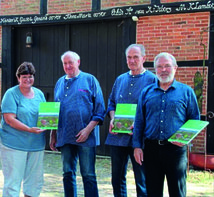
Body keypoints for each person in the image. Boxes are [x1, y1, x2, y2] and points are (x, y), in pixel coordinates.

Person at [133, 52, 200, 197]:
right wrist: (137, 146)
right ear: (155, 69)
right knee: (153, 191)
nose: (163, 70)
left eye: (167, 66)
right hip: (151, 149)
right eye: (160, 67)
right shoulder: (146, 92)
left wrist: (186, 139)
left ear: (175, 68)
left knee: (177, 191)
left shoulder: (186, 92)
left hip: (176, 150)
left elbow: (194, 119)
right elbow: (139, 121)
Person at [50, 51, 106, 197]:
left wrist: (87, 130)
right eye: (65, 63)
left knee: (88, 174)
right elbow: (55, 111)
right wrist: (53, 134)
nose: (68, 66)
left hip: (86, 136)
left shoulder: (90, 80)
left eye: (71, 62)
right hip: (65, 135)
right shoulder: (59, 83)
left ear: (78, 62)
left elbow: (100, 109)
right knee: (67, 173)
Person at [105, 44, 156, 197]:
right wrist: (113, 118)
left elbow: (153, 108)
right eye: (129, 57)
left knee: (142, 179)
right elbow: (111, 103)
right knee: (117, 178)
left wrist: (139, 122)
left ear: (144, 58)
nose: (132, 60)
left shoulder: (152, 80)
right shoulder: (120, 79)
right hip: (117, 138)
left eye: (136, 57)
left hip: (140, 139)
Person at [0, 62, 46, 197]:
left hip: (36, 144)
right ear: (18, 78)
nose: (27, 79)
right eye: (24, 77)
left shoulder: (40, 94)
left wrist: (51, 128)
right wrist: (29, 129)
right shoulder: (11, 94)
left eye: (30, 76)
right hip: (13, 144)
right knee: (13, 181)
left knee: (34, 182)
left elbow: (46, 117)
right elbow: (9, 119)